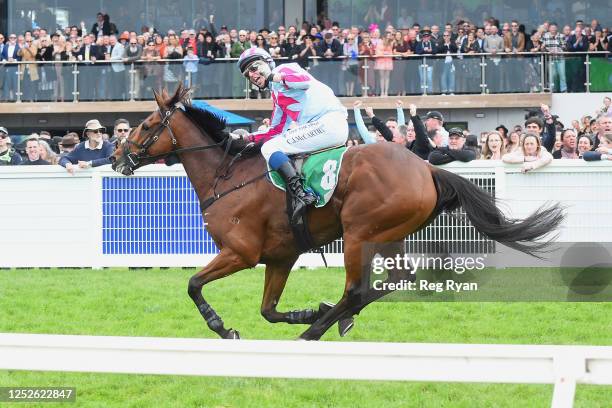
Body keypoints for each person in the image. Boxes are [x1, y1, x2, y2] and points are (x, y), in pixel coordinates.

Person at [231, 48, 348, 223]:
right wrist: (247, 138)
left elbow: (304, 82)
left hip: (329, 123)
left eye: (255, 68)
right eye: (248, 74)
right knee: (273, 144)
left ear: (268, 62)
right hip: (325, 127)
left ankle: (300, 194)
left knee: (271, 148)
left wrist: (271, 76)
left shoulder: (283, 69)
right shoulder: (277, 96)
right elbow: (276, 130)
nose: (253, 75)